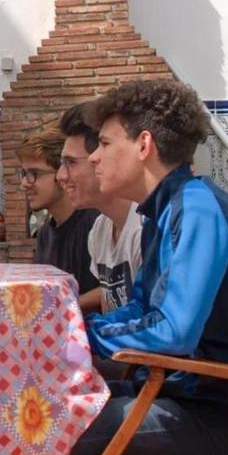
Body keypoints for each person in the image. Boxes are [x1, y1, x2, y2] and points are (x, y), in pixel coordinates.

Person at [53, 80, 228, 455]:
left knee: (35, 430)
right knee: (32, 406)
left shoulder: (198, 209)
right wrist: (70, 329)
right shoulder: (160, 215)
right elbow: (141, 308)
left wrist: (79, 338)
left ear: (144, 146)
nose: (95, 157)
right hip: (169, 392)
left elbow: (175, 332)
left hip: (213, 417)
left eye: (106, 144)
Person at [57, 102, 143, 313]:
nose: (60, 176)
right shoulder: (100, 230)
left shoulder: (144, 228)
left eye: (71, 162)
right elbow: (109, 314)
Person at [16, 128, 101, 312]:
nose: (24, 183)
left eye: (34, 174)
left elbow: (111, 288)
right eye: (23, 174)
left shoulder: (95, 222)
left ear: (61, 173)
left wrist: (61, 305)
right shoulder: (45, 233)